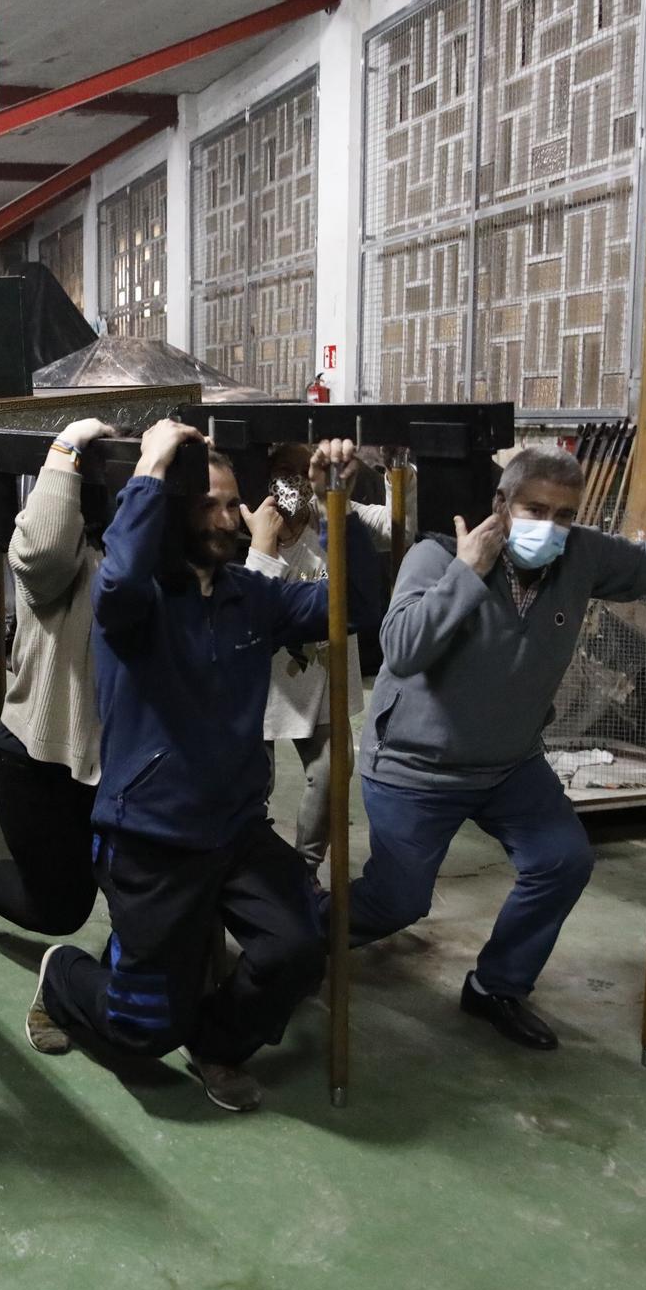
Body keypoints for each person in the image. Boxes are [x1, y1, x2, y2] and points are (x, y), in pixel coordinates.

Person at [26, 422, 384, 1112]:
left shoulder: (251, 596)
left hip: (235, 829)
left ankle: (217, 1040)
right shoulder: (132, 602)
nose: (228, 518)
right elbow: (123, 579)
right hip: (152, 835)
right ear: (170, 512)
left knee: (298, 948)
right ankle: (64, 976)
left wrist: (337, 500)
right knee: (140, 1027)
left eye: (231, 503)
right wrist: (151, 468)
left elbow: (353, 608)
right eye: (208, 504)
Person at [347, 439, 646, 1050]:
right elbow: (403, 650)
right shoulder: (435, 556)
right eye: (535, 509)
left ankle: (498, 985)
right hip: (416, 764)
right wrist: (467, 573)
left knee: (562, 860)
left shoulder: (581, 558)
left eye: (564, 514)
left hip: (508, 763)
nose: (549, 526)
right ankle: (297, 937)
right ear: (503, 502)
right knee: (396, 899)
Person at [0, 419, 114, 985]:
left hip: (124, 765)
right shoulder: (68, 563)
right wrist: (70, 443)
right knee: (58, 909)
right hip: (41, 759)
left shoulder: (160, 559)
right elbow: (38, 551)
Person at [244, 443, 408, 869]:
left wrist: (396, 469)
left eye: (303, 470)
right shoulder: (248, 526)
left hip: (321, 679)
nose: (294, 480)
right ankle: (250, 868)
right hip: (260, 683)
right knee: (251, 784)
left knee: (332, 774)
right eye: (284, 470)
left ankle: (305, 870)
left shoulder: (332, 512)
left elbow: (399, 528)